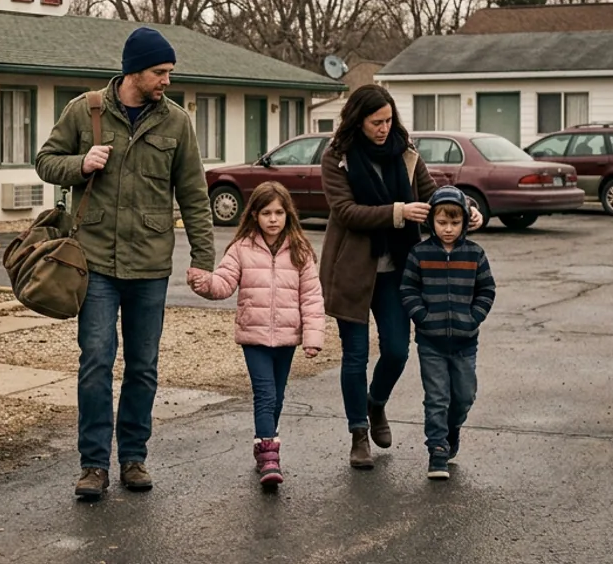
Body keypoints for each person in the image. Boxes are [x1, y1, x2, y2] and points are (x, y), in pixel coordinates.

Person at [35, 25, 217, 501]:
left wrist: (203, 258)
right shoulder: (85, 110)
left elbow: (194, 195)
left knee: (143, 366)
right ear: (134, 70)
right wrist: (80, 164)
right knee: (95, 361)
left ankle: (133, 457)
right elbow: (45, 161)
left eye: (169, 73)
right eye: (161, 72)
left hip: (151, 265)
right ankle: (93, 465)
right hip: (93, 263)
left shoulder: (176, 123)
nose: (167, 81)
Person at [319, 84, 481, 469]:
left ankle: (376, 403)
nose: (384, 128)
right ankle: (359, 433)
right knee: (355, 356)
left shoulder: (405, 153)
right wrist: (397, 212)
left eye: (389, 120)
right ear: (358, 121)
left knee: (396, 350)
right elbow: (345, 211)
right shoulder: (336, 158)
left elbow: (434, 194)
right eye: (377, 122)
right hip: (353, 271)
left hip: (397, 271)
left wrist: (467, 207)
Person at [196, 181, 325, 487]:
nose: (273, 219)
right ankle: (270, 455)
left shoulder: (300, 250)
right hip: (254, 337)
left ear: (288, 214)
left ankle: (262, 444)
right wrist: (205, 283)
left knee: (277, 396)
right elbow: (224, 283)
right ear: (254, 214)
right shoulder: (241, 249)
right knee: (265, 394)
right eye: (266, 212)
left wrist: (313, 336)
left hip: (287, 337)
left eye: (279, 212)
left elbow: (312, 296)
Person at [400, 186, 495, 481]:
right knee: (437, 396)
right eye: (442, 222)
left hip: (465, 343)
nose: (448, 229)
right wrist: (424, 318)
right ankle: (437, 449)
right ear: (432, 222)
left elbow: (487, 290)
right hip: (431, 342)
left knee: (464, 396)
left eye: (455, 223)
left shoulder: (475, 254)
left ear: (465, 222)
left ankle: (452, 430)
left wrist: (472, 318)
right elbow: (408, 290)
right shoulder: (419, 254)